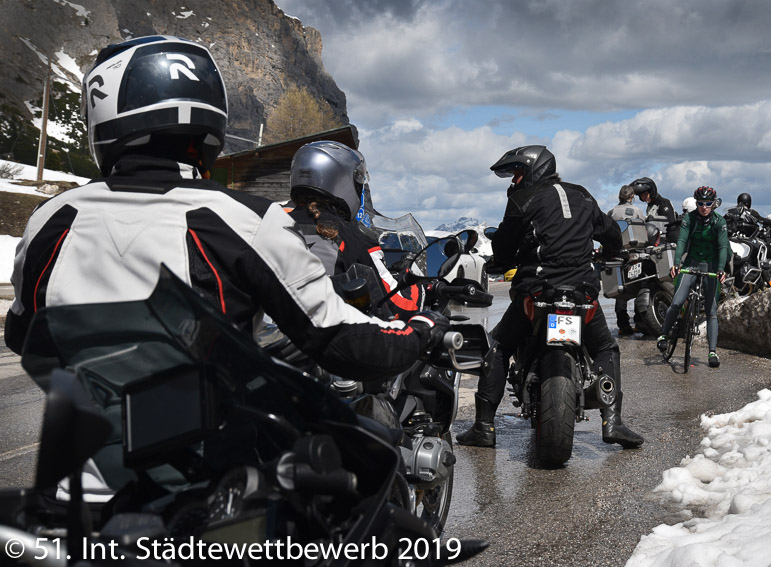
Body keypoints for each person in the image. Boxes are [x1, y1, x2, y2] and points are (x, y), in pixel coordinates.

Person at [5, 36, 445, 381]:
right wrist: (422, 327)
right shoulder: (244, 220)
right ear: (209, 121)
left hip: (75, 479)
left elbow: (23, 335)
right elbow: (343, 342)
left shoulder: (52, 216)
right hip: (210, 480)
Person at [456, 145, 643, 449]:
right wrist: (611, 253)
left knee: (499, 345)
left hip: (539, 292)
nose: (514, 181)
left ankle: (484, 426)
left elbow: (503, 246)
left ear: (533, 170)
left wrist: (501, 262)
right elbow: (611, 233)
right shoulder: (583, 195)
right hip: (583, 292)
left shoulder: (522, 200)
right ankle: (614, 422)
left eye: (517, 173)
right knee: (606, 348)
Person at [287, 140, 423, 319]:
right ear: (341, 181)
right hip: (327, 337)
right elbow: (401, 306)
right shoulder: (352, 238)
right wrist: (414, 279)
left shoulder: (273, 224)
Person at [656, 187, 729, 369]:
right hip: (691, 263)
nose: (704, 207)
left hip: (711, 265)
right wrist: (677, 263)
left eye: (708, 204)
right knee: (677, 302)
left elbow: (722, 247)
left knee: (711, 311)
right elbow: (681, 241)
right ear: (696, 203)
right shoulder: (690, 218)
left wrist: (721, 268)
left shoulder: (719, 222)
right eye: (700, 204)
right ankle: (664, 335)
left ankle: (712, 352)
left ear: (714, 204)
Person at [608, 184, 646, 335]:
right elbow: (644, 230)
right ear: (632, 197)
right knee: (639, 286)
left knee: (621, 289)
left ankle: (623, 325)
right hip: (635, 254)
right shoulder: (637, 211)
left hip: (619, 254)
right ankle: (640, 321)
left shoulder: (611, 212)